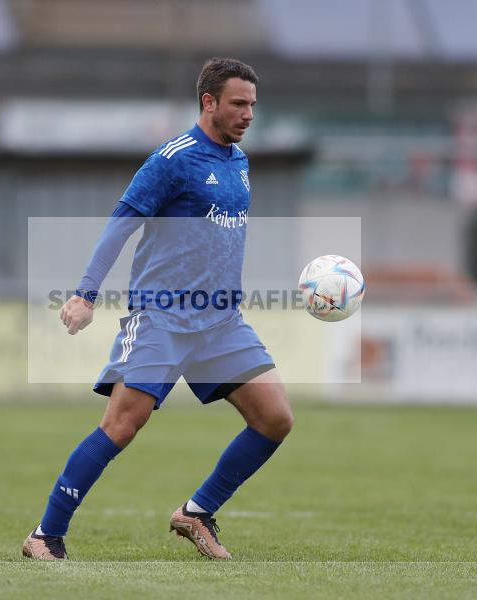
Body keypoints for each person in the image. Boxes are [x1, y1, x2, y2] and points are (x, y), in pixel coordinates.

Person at [22, 58, 293, 561]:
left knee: (275, 419)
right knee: (122, 426)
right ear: (208, 102)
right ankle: (45, 535)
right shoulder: (174, 158)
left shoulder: (238, 161)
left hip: (221, 321)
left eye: (253, 104)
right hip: (162, 317)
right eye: (238, 103)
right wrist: (85, 293)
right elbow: (121, 222)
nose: (249, 114)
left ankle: (196, 512)